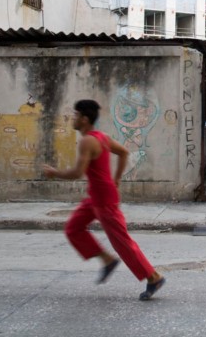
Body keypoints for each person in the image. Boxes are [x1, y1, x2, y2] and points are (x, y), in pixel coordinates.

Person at [42, 99, 166, 301]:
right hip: (95, 197)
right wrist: (115, 179)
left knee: (122, 242)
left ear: (84, 118)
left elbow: (77, 172)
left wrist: (54, 173)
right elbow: (124, 152)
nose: (72, 119)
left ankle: (154, 277)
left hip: (104, 201)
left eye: (75, 115)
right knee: (73, 228)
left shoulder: (88, 141)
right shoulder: (101, 137)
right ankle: (107, 260)